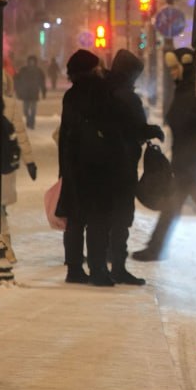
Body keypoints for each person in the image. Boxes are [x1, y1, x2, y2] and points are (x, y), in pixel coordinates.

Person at [133, 47, 196, 261]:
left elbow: (184, 118)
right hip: (187, 160)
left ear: (185, 65)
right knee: (176, 209)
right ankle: (155, 248)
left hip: (191, 162)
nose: (171, 73)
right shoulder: (187, 88)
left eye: (174, 68)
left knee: (173, 208)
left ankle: (155, 248)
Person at [105, 49, 165, 285]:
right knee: (121, 216)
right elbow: (134, 128)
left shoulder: (103, 90)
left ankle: (102, 261)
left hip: (101, 163)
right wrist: (154, 131)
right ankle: (118, 266)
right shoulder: (127, 97)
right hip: (122, 164)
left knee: (105, 214)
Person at [58, 50, 118, 286]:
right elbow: (112, 127)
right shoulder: (101, 92)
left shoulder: (70, 96)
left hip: (74, 164)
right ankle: (98, 269)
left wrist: (63, 167)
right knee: (98, 219)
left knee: (75, 219)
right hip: (98, 165)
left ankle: (74, 268)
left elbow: (65, 134)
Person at [2, 72, 38, 263]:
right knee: (0, 207)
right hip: (5, 164)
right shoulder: (10, 104)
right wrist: (29, 161)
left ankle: (4, 246)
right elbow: (21, 134)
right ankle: (7, 247)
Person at [14, 55, 47, 129]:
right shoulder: (23, 70)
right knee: (25, 110)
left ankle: (32, 123)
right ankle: (29, 120)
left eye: (33, 61)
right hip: (25, 93)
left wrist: (44, 92)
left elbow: (42, 83)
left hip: (34, 93)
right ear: (28, 61)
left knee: (33, 110)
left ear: (35, 62)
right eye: (30, 61)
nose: (31, 62)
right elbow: (17, 80)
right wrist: (17, 89)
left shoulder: (39, 71)